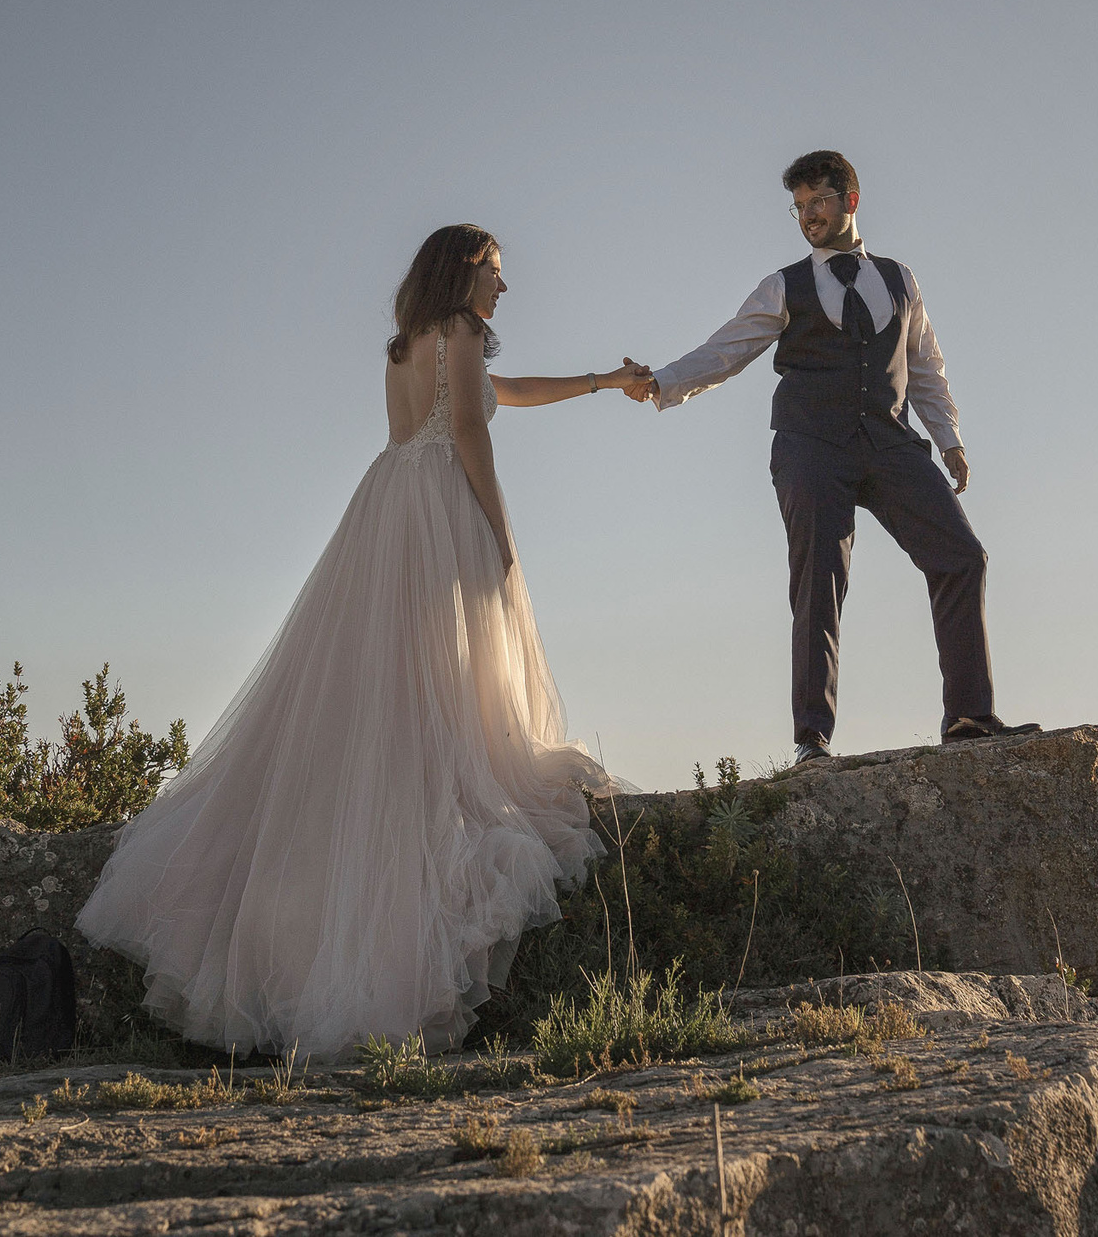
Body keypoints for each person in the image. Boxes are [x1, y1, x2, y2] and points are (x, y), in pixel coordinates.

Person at [76, 224, 649, 1056]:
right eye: (495, 271)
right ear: (463, 272)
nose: (504, 286)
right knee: (442, 682)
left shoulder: (410, 342)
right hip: (435, 507)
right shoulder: (460, 332)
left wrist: (600, 380)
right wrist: (500, 532)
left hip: (386, 503)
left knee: (387, 682)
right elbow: (471, 430)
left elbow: (500, 393)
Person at [634, 150, 1038, 765]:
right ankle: (811, 741)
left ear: (850, 199)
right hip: (810, 445)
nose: (807, 217)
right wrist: (663, 383)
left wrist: (949, 439)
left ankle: (968, 718)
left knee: (962, 556)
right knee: (819, 581)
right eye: (798, 208)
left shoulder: (901, 279)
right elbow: (727, 349)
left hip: (890, 441)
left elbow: (925, 364)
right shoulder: (784, 285)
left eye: (818, 201)